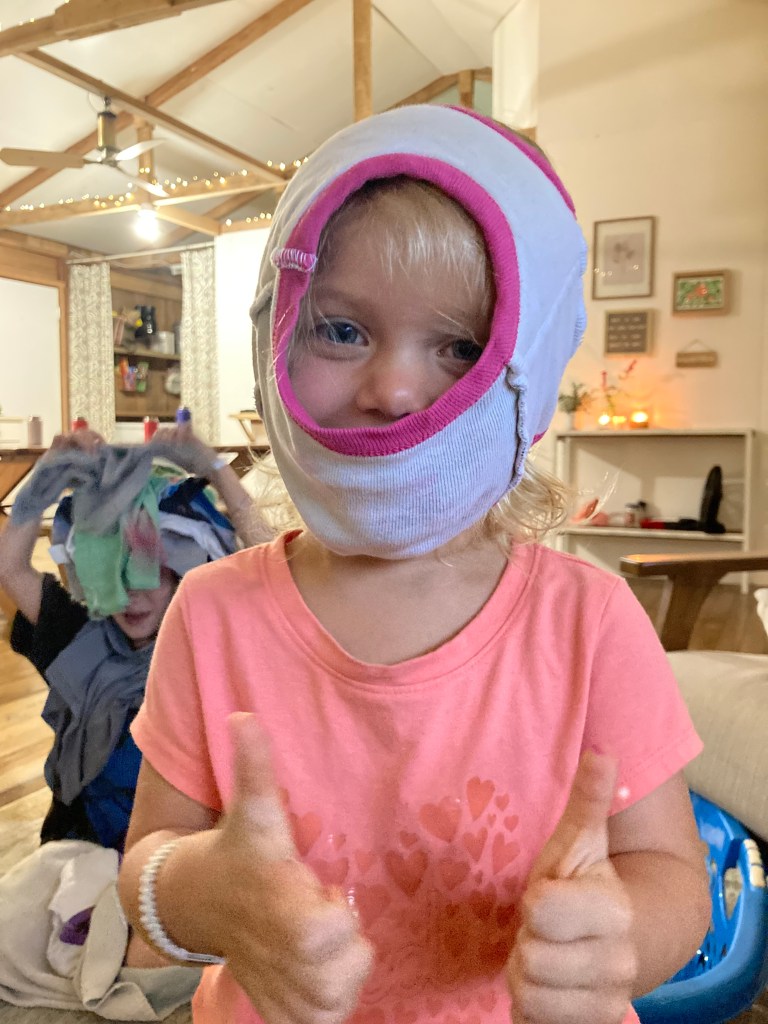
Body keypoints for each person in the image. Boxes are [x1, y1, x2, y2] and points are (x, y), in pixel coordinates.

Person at [117, 105, 711, 1024]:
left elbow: (672, 872)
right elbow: (148, 866)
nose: (393, 389)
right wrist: (209, 892)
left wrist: (615, 942)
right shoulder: (211, 610)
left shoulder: (590, 622)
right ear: (275, 332)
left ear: (529, 367)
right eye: (342, 330)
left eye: (461, 346)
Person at [0, 424, 259, 853]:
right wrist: (45, 477)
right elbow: (9, 567)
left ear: (182, 573)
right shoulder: (81, 637)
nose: (130, 594)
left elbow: (274, 575)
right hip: (80, 852)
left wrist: (216, 469)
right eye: (113, 573)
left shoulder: (208, 648)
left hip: (173, 862)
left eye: (149, 572)